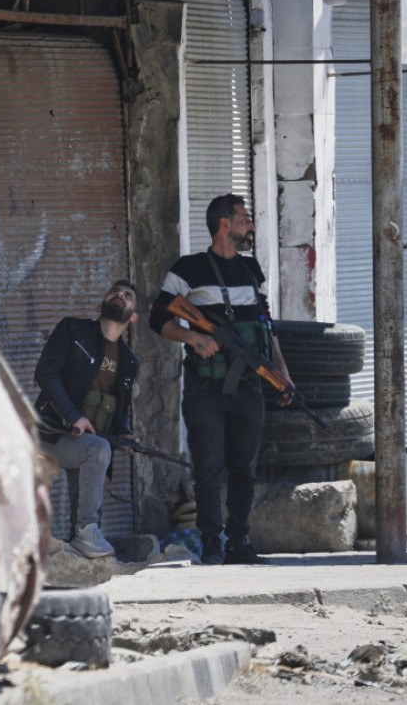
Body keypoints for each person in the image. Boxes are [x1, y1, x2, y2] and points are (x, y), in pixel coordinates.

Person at [148, 194, 290, 565]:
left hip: (249, 383)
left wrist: (282, 372)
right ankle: (212, 543)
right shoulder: (189, 269)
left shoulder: (251, 269)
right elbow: (157, 318)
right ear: (224, 225)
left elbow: (266, 325)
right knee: (208, 466)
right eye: (244, 218)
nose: (251, 225)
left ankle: (239, 543)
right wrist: (193, 337)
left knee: (245, 468)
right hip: (205, 386)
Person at [34, 280, 140, 558]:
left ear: (133, 317)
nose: (119, 295)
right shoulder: (72, 330)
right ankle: (87, 532)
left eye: (127, 295)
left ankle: (79, 551)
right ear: (99, 306)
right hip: (49, 434)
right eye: (114, 292)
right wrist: (74, 417)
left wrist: (124, 433)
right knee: (97, 450)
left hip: (85, 443)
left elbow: (120, 408)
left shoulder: (129, 361)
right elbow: (45, 373)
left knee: (96, 453)